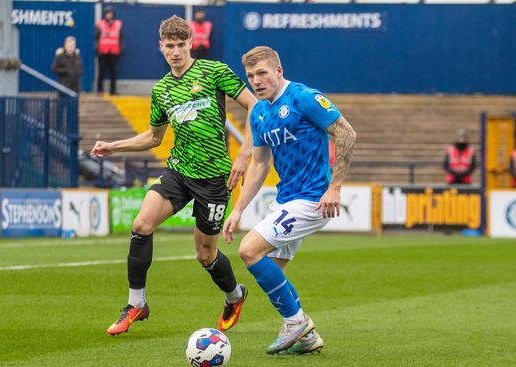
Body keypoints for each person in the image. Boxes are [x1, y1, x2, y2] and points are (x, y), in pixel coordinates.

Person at [91, 15, 256, 336]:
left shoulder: (214, 72)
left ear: (191, 43)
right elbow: (153, 138)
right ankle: (136, 303)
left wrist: (244, 153)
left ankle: (235, 295)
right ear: (161, 47)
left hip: (213, 178)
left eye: (181, 45)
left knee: (204, 254)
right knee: (141, 224)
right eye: (170, 46)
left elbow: (254, 106)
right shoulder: (162, 89)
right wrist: (114, 146)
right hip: (179, 171)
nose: (176, 51)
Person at [222, 46, 356, 355]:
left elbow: (347, 134)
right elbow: (259, 164)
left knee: (249, 250)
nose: (256, 81)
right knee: (269, 267)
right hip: (285, 199)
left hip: (312, 198)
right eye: (251, 76)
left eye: (262, 73)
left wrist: (335, 187)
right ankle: (305, 337)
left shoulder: (304, 97)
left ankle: (297, 322)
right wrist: (238, 209)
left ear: (278, 71)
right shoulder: (258, 112)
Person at [95, 6, 123, 95]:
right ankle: (99, 90)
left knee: (113, 73)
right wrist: (96, 49)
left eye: (111, 13)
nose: (109, 15)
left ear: (113, 15)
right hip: (102, 52)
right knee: (101, 72)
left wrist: (121, 49)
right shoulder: (101, 24)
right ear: (105, 14)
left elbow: (121, 38)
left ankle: (113, 90)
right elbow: (96, 37)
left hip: (113, 52)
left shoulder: (118, 24)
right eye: (107, 13)